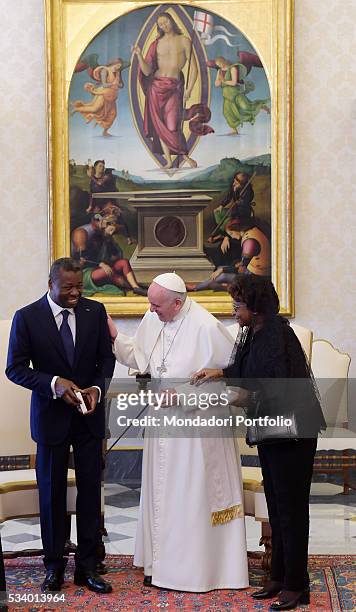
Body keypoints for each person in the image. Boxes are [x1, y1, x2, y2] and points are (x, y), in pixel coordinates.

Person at [107, 272, 249, 592]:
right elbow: (141, 356)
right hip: (163, 425)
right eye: (149, 303)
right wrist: (115, 338)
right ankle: (160, 566)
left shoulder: (205, 327)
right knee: (163, 494)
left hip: (197, 430)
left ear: (178, 302)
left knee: (191, 498)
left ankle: (196, 571)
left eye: (156, 305)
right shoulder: (155, 316)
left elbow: (229, 385)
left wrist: (182, 394)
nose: (151, 310)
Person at [192, 276, 326, 610]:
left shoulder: (276, 335)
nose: (234, 311)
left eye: (238, 305)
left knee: (291, 510)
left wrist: (235, 398)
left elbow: (274, 388)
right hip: (273, 430)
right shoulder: (256, 332)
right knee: (278, 508)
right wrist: (218, 373)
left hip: (292, 433)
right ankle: (278, 577)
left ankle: (297, 586)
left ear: (255, 306)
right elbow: (243, 368)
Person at [6, 258, 115, 594]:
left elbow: (105, 361)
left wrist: (97, 389)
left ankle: (87, 567)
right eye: (67, 287)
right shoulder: (27, 317)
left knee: (89, 494)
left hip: (89, 419)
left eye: (79, 286)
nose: (75, 293)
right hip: (50, 420)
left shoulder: (94, 312)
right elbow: (16, 368)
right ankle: (53, 567)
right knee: (51, 495)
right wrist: (53, 383)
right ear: (50, 282)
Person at [132, 12, 213, 169]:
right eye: (160, 24)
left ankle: (185, 156)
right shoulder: (156, 44)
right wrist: (139, 55)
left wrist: (189, 89)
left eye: (166, 22)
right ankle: (169, 161)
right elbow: (147, 71)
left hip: (174, 88)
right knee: (159, 126)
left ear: (172, 21)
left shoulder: (184, 41)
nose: (164, 26)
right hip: (155, 87)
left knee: (172, 125)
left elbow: (194, 68)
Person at [71, 215, 146, 296]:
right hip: (86, 271)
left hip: (101, 267)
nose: (111, 232)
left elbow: (114, 256)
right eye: (109, 227)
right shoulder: (84, 234)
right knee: (108, 272)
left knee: (123, 262)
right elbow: (82, 259)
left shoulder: (105, 236)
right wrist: (101, 264)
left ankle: (136, 287)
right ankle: (130, 287)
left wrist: (109, 240)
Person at [214, 56, 270, 134]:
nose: (219, 66)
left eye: (220, 63)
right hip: (227, 95)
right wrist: (219, 81)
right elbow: (216, 84)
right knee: (227, 113)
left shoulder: (233, 69)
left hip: (236, 93)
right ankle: (234, 130)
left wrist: (223, 81)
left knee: (246, 106)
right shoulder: (219, 71)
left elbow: (233, 83)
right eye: (218, 65)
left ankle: (261, 106)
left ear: (223, 60)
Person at [70, 58, 125, 137]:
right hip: (104, 94)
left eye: (120, 66)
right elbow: (105, 85)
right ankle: (76, 109)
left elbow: (120, 85)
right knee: (94, 108)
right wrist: (113, 84)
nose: (118, 67)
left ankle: (105, 132)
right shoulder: (104, 71)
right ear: (113, 63)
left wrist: (118, 85)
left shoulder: (117, 72)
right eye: (117, 65)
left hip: (112, 96)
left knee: (113, 114)